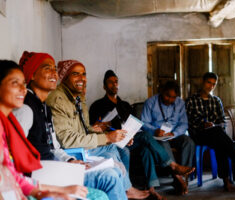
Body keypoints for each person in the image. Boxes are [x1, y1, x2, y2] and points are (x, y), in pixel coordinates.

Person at [13, 51, 124, 199]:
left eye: (54, 69)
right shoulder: (26, 108)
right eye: (47, 68)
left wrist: (69, 160)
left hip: (54, 167)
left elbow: (54, 147)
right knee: (108, 178)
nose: (54, 73)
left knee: (114, 171)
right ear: (32, 75)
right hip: (41, 175)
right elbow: (14, 155)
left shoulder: (44, 107)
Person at [46, 59, 149, 199]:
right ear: (64, 77)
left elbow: (83, 128)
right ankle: (123, 188)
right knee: (113, 164)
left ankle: (126, 188)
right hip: (72, 151)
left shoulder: (77, 96)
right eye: (75, 74)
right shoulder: (58, 99)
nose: (81, 78)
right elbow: (67, 140)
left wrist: (112, 135)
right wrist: (107, 137)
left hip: (81, 144)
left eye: (84, 74)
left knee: (118, 148)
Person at [89, 70, 195, 198]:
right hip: (112, 139)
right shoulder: (97, 105)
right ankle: (172, 165)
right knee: (146, 137)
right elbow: (93, 128)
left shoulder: (125, 105)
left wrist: (133, 130)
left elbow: (135, 123)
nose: (114, 84)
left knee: (146, 149)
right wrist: (103, 125)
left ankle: (152, 188)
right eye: (110, 82)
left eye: (116, 82)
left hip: (130, 139)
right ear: (104, 86)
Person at [0, 59, 85, 200]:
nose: (22, 89)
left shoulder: (8, 123)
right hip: (37, 174)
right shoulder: (25, 111)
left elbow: (14, 176)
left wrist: (49, 192)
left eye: (23, 83)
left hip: (32, 179)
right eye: (15, 83)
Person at [185, 72, 235, 191]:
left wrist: (213, 125)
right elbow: (188, 121)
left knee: (219, 141)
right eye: (209, 83)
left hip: (215, 134)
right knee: (218, 136)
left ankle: (226, 180)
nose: (211, 86)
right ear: (202, 82)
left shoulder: (216, 101)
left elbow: (222, 121)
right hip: (198, 135)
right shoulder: (191, 100)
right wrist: (202, 124)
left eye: (214, 84)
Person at [140, 80, 195, 195]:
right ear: (161, 91)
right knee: (163, 142)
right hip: (157, 136)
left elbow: (184, 123)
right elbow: (143, 123)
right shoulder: (150, 102)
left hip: (174, 134)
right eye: (167, 96)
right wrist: (155, 131)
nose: (170, 99)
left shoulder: (180, 103)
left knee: (188, 142)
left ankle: (182, 177)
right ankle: (177, 177)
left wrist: (174, 134)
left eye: (173, 97)